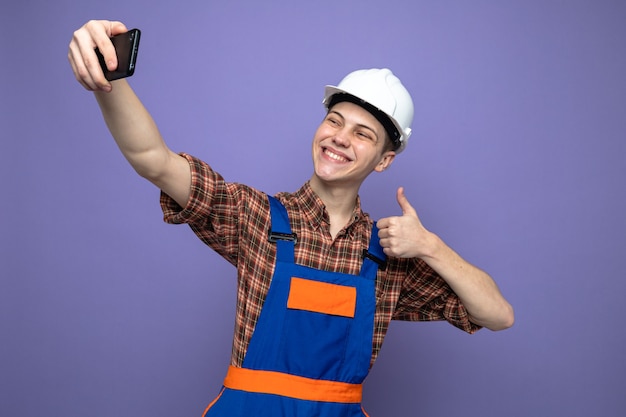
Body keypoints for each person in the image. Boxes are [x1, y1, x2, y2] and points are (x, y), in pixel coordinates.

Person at [69, 19, 514, 417]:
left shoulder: (390, 259)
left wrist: (430, 247)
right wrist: (109, 76)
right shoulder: (256, 217)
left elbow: (498, 315)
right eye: (334, 121)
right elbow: (153, 161)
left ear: (384, 160)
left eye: (363, 134)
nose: (339, 139)